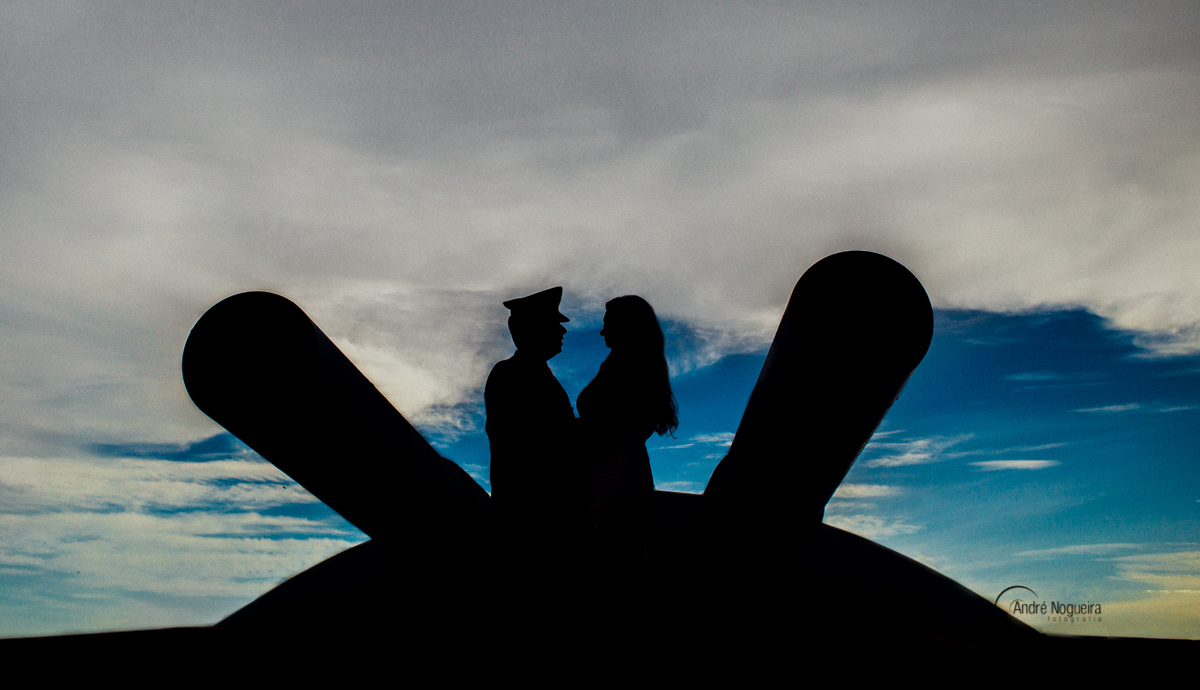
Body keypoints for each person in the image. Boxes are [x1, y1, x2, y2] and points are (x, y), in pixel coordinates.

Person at [576, 295, 678, 562]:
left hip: (614, 466)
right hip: (618, 463)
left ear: (624, 325)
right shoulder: (630, 366)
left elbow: (608, 421)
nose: (601, 331)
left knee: (612, 549)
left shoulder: (625, 368)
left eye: (606, 323)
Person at [484, 286, 582, 557]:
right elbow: (522, 438)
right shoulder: (511, 374)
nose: (562, 331)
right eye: (554, 324)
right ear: (531, 328)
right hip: (529, 520)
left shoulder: (541, 377)